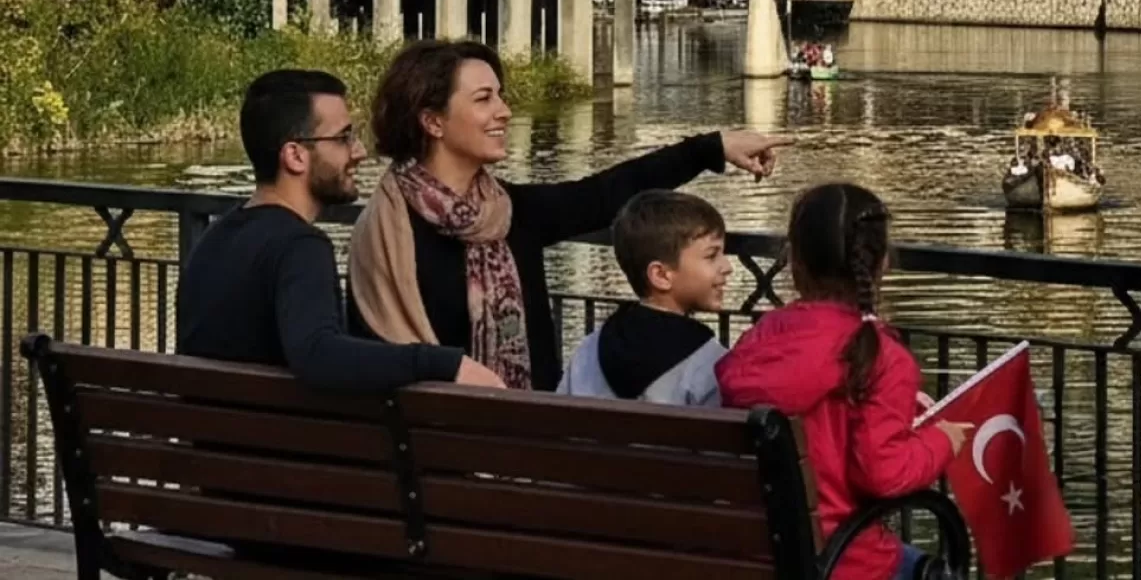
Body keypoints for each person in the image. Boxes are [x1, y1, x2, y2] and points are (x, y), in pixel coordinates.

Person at [348, 40, 789, 391]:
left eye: (500, 95)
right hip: (466, 463)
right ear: (433, 122)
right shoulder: (389, 231)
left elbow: (606, 193)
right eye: (484, 99)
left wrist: (712, 147)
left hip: (475, 460)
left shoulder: (509, 213)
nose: (504, 111)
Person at [177, 69, 503, 392]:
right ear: (295, 156)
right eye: (343, 138)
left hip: (208, 438)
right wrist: (445, 363)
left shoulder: (216, 237)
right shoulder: (300, 245)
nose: (359, 151)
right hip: (272, 441)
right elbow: (319, 354)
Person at [715, 183, 971, 580]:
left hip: (754, 555)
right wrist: (942, 441)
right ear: (881, 262)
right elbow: (883, 474)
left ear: (794, 260)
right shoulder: (880, 356)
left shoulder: (762, 339)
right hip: (843, 561)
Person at [557, 190, 729, 406]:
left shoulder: (590, 349)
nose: (727, 267)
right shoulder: (710, 364)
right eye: (712, 256)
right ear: (660, 275)